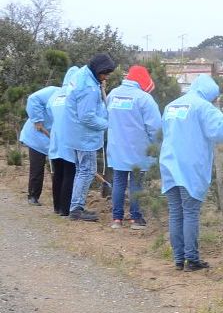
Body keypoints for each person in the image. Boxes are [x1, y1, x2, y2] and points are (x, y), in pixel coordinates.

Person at [158, 74, 223, 271]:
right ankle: (192, 259)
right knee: (190, 212)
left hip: (169, 164)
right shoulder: (203, 107)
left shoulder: (172, 106)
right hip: (190, 166)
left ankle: (179, 259)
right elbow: (221, 129)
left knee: (176, 212)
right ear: (210, 94)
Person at [106, 65, 162, 229]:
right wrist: (157, 147)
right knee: (136, 183)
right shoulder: (144, 99)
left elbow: (105, 116)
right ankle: (135, 219)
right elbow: (155, 127)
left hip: (117, 147)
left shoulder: (113, 94)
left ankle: (116, 219)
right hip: (138, 149)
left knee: (118, 181)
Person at [62, 53, 116, 221]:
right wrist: (107, 124)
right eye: (105, 73)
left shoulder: (82, 75)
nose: (106, 77)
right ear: (98, 70)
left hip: (74, 133)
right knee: (87, 171)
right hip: (84, 136)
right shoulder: (89, 88)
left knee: (81, 170)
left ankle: (75, 207)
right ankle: (77, 210)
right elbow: (87, 117)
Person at [44, 67, 80, 217]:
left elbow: (48, 111)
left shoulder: (55, 95)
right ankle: (65, 209)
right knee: (69, 173)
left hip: (55, 138)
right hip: (69, 138)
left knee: (57, 173)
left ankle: (57, 207)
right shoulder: (75, 94)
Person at [19, 82, 60, 206]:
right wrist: (37, 120)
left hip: (54, 138)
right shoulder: (53, 91)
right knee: (37, 167)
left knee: (60, 169)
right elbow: (33, 99)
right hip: (37, 134)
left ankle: (59, 200)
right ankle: (33, 196)